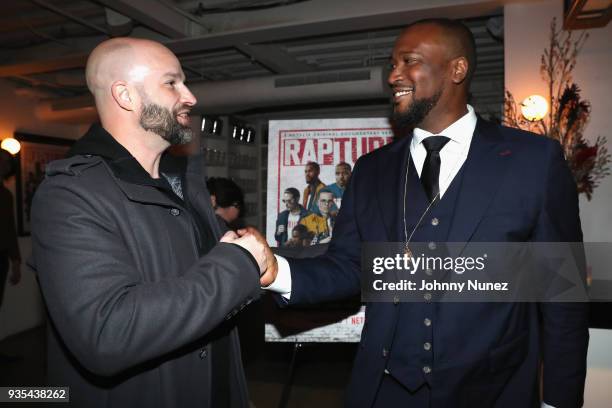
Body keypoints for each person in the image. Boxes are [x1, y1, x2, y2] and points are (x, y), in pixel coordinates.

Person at [261, 18, 588, 408]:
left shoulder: (533, 161)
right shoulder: (371, 169)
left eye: (408, 61)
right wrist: (278, 271)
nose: (392, 74)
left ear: (457, 69)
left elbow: (562, 291)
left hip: (494, 393)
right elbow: (351, 267)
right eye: (392, 63)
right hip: (384, 392)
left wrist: (559, 399)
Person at [30, 37, 275, 408]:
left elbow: (201, 278)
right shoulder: (70, 195)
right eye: (172, 82)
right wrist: (239, 263)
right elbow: (107, 333)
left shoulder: (184, 183)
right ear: (125, 95)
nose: (190, 96)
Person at [0, 149, 21, 364]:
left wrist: (15, 261)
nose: (5, 165)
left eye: (7, 161)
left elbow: (8, 229)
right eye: (2, 160)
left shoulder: (6, 195)